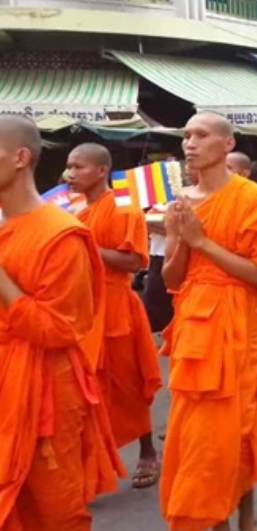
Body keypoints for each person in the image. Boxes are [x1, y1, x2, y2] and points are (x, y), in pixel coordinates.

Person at [158, 112, 257, 531]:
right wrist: (180, 236)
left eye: (200, 135)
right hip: (196, 326)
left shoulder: (254, 199)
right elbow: (171, 280)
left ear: (227, 143)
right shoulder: (181, 203)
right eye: (186, 134)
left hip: (241, 322)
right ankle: (220, 528)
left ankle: (246, 520)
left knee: (240, 429)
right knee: (204, 438)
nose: (189, 143)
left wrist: (201, 242)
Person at [0, 116, 123, 531]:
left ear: (20, 157)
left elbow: (58, 328)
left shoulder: (61, 234)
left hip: (46, 390)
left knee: (55, 515)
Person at [63, 142, 162, 490]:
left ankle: (148, 451)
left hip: (117, 303)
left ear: (101, 170)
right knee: (84, 388)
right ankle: (89, 461)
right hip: (82, 306)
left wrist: (83, 242)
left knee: (127, 383)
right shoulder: (73, 207)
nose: (69, 174)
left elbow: (134, 261)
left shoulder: (122, 203)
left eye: (78, 167)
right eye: (68, 167)